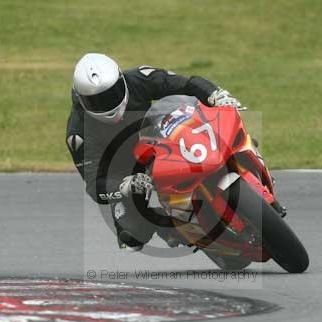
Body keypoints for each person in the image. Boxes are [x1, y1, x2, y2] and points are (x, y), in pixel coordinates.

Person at [66, 53, 242, 250]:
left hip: (160, 136)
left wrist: (215, 94)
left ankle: (239, 157)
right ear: (81, 100)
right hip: (127, 172)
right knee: (131, 237)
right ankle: (170, 228)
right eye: (96, 101)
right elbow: (95, 185)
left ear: (121, 80)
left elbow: (185, 84)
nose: (107, 104)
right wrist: (124, 186)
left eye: (112, 93)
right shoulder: (78, 134)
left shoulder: (139, 78)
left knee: (215, 124)